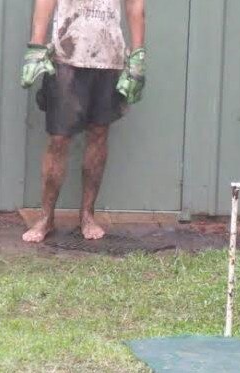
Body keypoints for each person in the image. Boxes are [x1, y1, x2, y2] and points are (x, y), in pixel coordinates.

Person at [20, 0, 146, 242]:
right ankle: (46, 218)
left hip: (109, 57)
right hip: (66, 54)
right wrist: (36, 45)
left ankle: (87, 215)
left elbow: (135, 5)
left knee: (99, 134)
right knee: (58, 139)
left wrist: (138, 55)